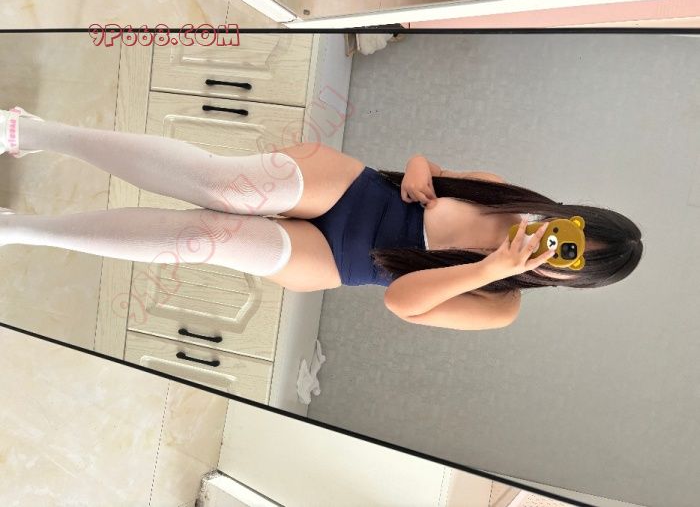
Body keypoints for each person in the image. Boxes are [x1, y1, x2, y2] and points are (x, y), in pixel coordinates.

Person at [0, 106, 643, 331]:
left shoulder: (501, 304)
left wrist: (492, 267)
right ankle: (32, 131)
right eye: (570, 235)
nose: (552, 247)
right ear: (571, 217)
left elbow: (403, 302)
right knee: (224, 186)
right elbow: (426, 168)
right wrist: (418, 169)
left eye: (567, 261)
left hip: (340, 262)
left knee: (203, 237)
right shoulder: (501, 193)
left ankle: (18, 228)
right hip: (356, 193)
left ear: (570, 280)